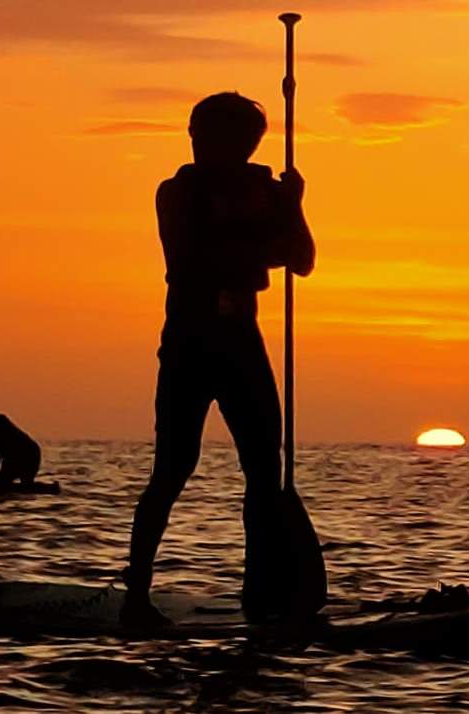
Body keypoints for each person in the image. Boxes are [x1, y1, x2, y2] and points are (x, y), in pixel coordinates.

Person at [123, 92, 315, 626]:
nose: (217, 148)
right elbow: (199, 256)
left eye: (241, 141)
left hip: (242, 343)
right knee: (173, 467)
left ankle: (262, 594)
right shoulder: (176, 193)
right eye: (208, 136)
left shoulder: (264, 194)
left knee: (264, 468)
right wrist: (264, 231)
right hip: (190, 343)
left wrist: (292, 206)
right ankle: (136, 594)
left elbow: (302, 260)